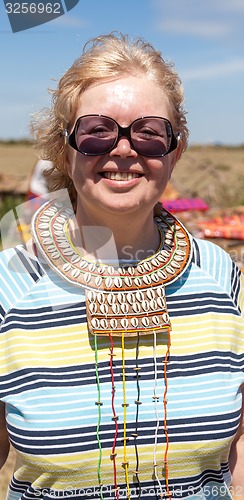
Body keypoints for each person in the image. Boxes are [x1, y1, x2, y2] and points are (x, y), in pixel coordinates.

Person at [0, 32, 243, 500]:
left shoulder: (224, 279)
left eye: (150, 133)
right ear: (63, 146)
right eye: (97, 131)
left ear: (175, 150)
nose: (125, 149)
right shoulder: (9, 287)